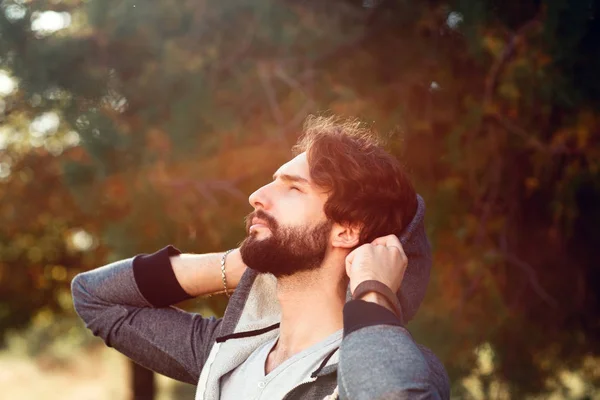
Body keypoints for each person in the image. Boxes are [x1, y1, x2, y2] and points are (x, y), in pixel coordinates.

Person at [71, 115, 450, 399]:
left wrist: (373, 291)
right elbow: (95, 297)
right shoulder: (227, 352)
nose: (257, 195)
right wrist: (236, 264)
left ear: (348, 230)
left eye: (293, 188)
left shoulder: (402, 370)